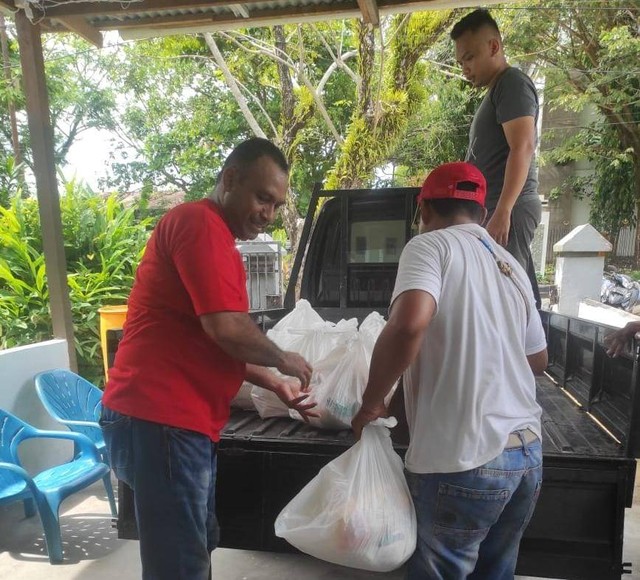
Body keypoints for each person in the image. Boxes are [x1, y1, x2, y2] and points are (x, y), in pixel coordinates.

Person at [100, 138, 317, 580]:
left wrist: (272, 382)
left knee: (195, 544)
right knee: (178, 563)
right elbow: (226, 327)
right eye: (262, 198)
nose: (268, 214)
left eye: (276, 205)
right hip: (161, 418)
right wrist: (283, 359)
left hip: (177, 422)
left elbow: (211, 337)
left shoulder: (214, 235)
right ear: (230, 179)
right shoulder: (199, 224)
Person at [352, 161, 548, 579]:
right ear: (481, 213)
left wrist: (371, 404)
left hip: (466, 458)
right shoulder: (510, 265)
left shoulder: (429, 247)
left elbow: (408, 324)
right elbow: (538, 359)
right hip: (526, 454)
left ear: (424, 210)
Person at [451, 9, 543, 308]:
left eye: (469, 57)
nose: (465, 68)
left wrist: (503, 210)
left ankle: (522, 355)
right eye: (460, 61)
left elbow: (523, 147)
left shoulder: (512, 83)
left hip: (509, 210)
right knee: (504, 292)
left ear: (493, 47)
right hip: (498, 210)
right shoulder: (496, 91)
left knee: (508, 298)